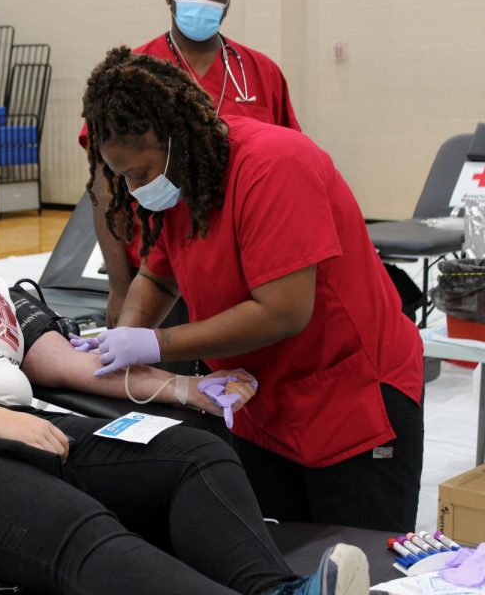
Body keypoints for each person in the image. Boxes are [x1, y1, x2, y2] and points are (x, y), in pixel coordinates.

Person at [0, 129, 370, 595]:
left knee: (194, 454)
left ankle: (273, 591)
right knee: (70, 522)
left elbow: (62, 364)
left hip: (25, 427)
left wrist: (182, 390)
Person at [78, 48, 425, 534]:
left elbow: (283, 313)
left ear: (178, 140)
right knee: (280, 557)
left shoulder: (274, 165)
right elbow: (158, 275)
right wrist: (124, 336)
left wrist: (157, 344)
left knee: (356, 561)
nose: (135, 188)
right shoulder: (181, 183)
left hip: (351, 394)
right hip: (261, 401)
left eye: (140, 172)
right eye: (124, 177)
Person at [81, 0, 301, 328]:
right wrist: (119, 286)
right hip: (155, 274)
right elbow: (105, 189)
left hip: (247, 272)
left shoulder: (261, 72)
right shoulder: (131, 77)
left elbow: (289, 170)